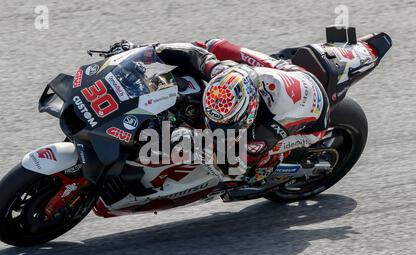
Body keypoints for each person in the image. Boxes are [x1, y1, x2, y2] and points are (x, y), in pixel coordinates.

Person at [110, 39, 329, 181]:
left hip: (313, 114)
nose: (211, 125)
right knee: (211, 45)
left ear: (248, 114)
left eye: (222, 123)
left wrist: (196, 143)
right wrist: (142, 51)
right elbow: (193, 53)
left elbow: (234, 166)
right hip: (277, 75)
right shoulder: (222, 72)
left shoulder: (265, 127)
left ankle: (278, 171)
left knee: (252, 169)